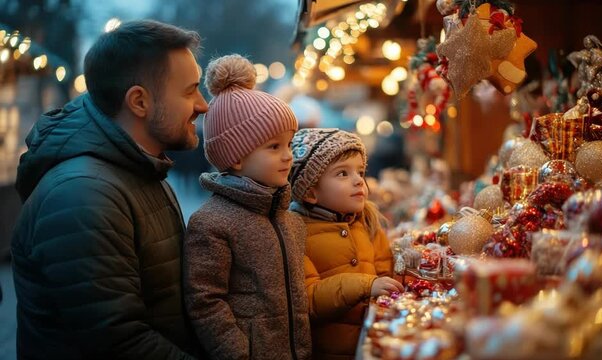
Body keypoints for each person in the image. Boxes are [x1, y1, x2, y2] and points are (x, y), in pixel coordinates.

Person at [11, 20, 208, 359]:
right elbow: (120, 342)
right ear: (139, 102)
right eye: (190, 91)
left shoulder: (138, 169)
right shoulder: (82, 196)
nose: (203, 105)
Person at [183, 54, 311, 360]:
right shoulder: (212, 223)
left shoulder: (289, 218)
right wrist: (238, 352)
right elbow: (205, 301)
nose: (287, 156)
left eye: (289, 145)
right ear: (236, 157)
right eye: (273, 147)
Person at [288, 128, 404, 359]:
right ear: (310, 192)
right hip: (331, 352)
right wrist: (365, 285)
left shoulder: (368, 221)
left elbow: (385, 270)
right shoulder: (295, 233)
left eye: (360, 172)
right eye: (343, 174)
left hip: (373, 342)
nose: (358, 180)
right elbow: (308, 300)